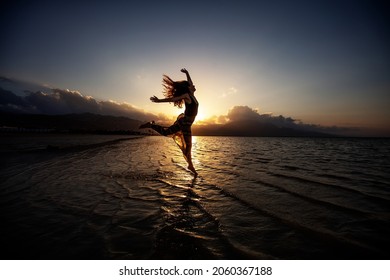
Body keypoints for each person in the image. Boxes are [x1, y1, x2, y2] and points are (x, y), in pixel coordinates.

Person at [139, 68, 199, 175]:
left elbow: (190, 82)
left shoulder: (192, 96)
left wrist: (187, 73)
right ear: (188, 88)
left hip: (186, 123)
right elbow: (173, 99)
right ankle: (190, 165)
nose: (194, 85)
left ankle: (151, 125)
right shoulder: (187, 96)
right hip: (185, 123)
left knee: (171, 134)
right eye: (191, 85)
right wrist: (159, 101)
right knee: (187, 145)